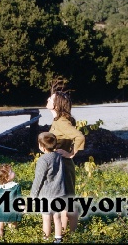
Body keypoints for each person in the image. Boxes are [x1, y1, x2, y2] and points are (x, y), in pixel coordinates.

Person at [46, 90, 85, 234]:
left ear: (57, 105)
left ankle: (73, 233)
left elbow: (79, 136)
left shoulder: (62, 122)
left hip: (64, 165)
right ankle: (63, 231)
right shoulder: (58, 120)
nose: (48, 99)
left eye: (51, 98)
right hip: (58, 165)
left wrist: (71, 154)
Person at [30, 132, 66, 243]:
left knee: (46, 218)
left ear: (42, 146)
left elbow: (38, 179)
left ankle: (45, 239)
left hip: (46, 194)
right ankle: (58, 239)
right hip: (59, 192)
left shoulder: (43, 160)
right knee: (57, 217)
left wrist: (33, 195)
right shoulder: (58, 156)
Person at [0, 163, 23, 237]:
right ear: (7, 178)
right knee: (12, 225)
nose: (13, 172)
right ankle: (14, 238)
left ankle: (0, 238)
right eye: (11, 172)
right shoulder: (16, 186)